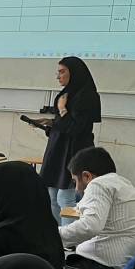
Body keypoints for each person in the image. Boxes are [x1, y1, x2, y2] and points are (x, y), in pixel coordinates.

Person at [59, 147, 135, 269]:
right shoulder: (122, 184)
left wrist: (51, 235)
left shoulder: (98, 184)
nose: (76, 189)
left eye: (75, 181)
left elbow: (90, 226)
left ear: (87, 176)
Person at [31, 57, 101, 224]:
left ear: (74, 73)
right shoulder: (66, 93)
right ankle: (57, 233)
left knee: (65, 196)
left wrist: (62, 110)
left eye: (62, 72)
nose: (58, 76)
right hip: (57, 150)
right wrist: (50, 123)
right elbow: (63, 125)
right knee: (52, 195)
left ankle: (69, 235)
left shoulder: (88, 96)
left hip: (74, 152)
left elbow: (76, 128)